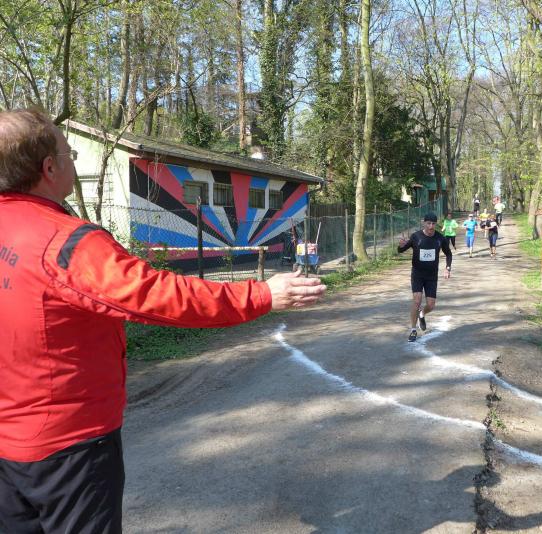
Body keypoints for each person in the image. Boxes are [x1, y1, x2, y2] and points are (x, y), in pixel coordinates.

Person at [0, 109, 327, 533]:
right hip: (68, 444)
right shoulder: (65, 241)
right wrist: (262, 294)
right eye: (69, 154)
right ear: (49, 168)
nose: (72, 162)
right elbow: (157, 295)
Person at [397, 212, 452, 342]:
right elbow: (401, 250)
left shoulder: (440, 238)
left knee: (431, 305)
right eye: (428, 223)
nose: (431, 226)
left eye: (433, 224)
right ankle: (413, 330)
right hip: (417, 274)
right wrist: (400, 246)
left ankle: (422, 314)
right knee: (416, 301)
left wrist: (448, 268)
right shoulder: (416, 236)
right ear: (424, 223)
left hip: (431, 276)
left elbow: (449, 254)